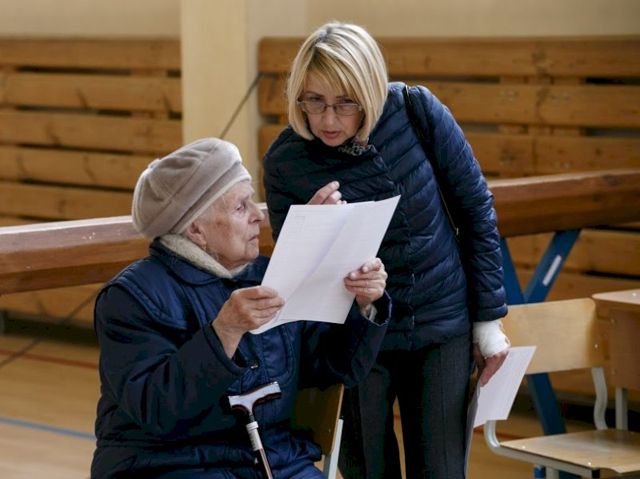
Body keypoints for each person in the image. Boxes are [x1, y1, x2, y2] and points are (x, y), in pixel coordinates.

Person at [262, 22, 510, 479]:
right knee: (368, 471)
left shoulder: (416, 111)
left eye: (345, 102)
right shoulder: (285, 162)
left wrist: (488, 323)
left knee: (441, 471)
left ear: (370, 91)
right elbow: (295, 283)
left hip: (440, 322)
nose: (328, 120)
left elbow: (476, 210)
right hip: (355, 339)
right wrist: (311, 231)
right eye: (314, 101)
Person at [91, 137, 391, 478]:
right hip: (170, 464)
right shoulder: (131, 297)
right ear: (196, 229)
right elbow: (158, 411)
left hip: (276, 459)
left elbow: (335, 370)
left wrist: (364, 305)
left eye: (253, 201)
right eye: (240, 207)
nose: (258, 215)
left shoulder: (268, 275)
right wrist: (224, 333)